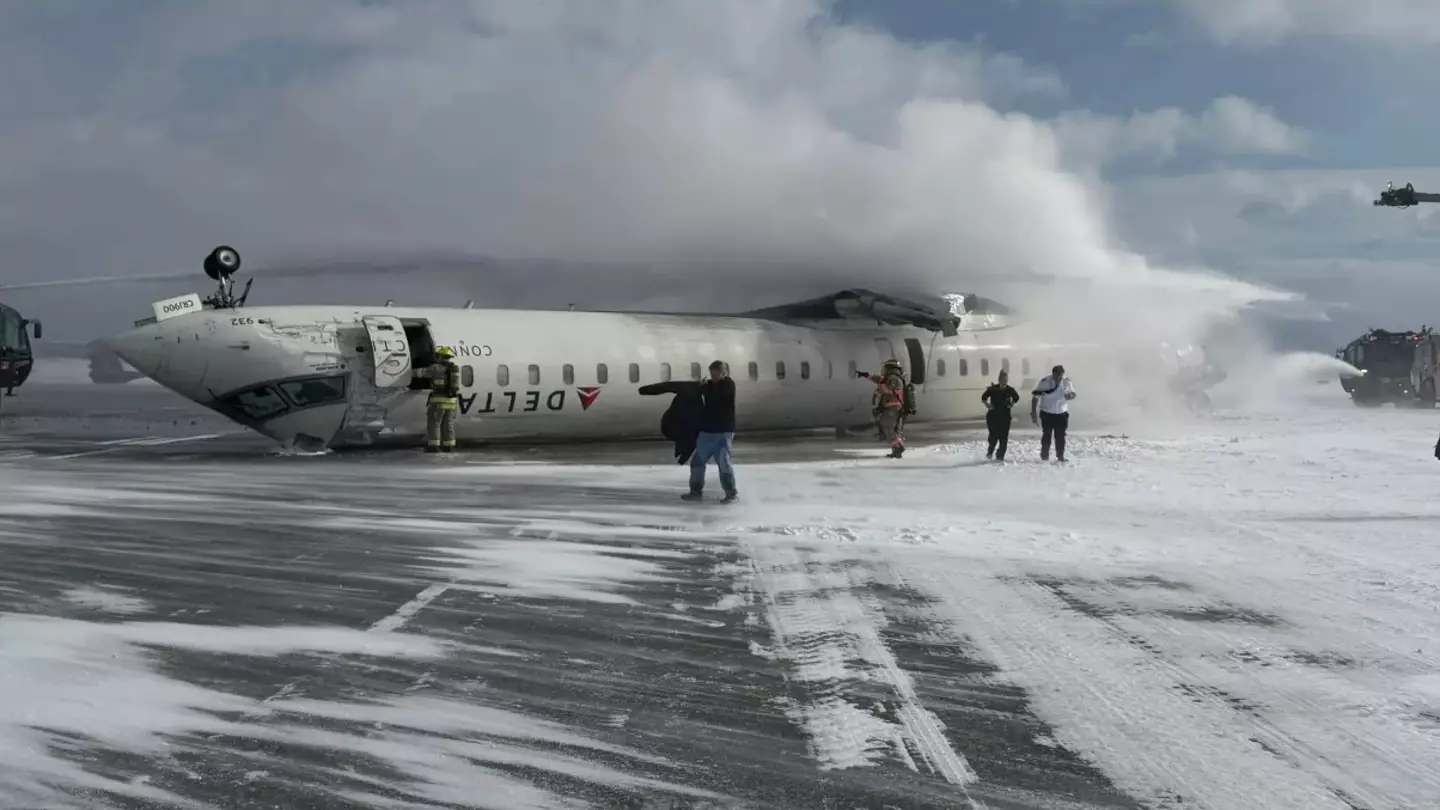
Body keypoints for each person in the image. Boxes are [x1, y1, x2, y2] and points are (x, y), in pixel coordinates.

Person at [684, 361, 738, 502]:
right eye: (711, 374)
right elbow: (704, 390)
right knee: (697, 462)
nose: (713, 377)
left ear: (723, 373)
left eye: (716, 374)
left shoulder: (728, 385)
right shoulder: (710, 386)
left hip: (723, 432)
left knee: (724, 463)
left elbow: (716, 393)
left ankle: (731, 493)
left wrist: (703, 386)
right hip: (707, 431)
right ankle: (695, 491)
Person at [857, 359, 907, 458]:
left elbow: (885, 388)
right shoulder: (895, 377)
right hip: (897, 406)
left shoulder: (893, 378)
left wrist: (877, 391)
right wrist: (867, 375)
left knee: (887, 426)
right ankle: (896, 451)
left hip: (892, 406)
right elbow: (880, 379)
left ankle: (898, 446)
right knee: (894, 429)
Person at [418, 346, 460, 453]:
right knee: (448, 424)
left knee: (434, 423)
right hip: (451, 402)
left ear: (440, 356)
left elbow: (421, 373)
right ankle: (449, 446)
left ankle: (433, 446)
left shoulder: (435, 368)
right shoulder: (454, 368)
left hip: (438, 401)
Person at [1031, 364, 1076, 462]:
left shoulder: (1066, 382)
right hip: (1047, 413)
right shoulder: (1045, 382)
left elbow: (1073, 393)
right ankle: (1044, 455)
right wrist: (1033, 412)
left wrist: (1070, 396)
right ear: (1053, 374)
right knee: (1047, 435)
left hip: (1061, 413)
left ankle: (1060, 456)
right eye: (1056, 375)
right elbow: (1035, 396)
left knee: (1060, 436)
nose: (1058, 378)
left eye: (1060, 375)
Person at [981, 369, 1020, 461]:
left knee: (1004, 438)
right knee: (993, 436)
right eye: (1003, 379)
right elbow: (983, 397)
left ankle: (1000, 457)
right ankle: (990, 451)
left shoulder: (1010, 389)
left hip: (1005, 416)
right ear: (999, 379)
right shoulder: (993, 389)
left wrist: (1011, 404)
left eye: (1006, 379)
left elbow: (1016, 398)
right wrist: (987, 405)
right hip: (993, 416)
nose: (1005, 381)